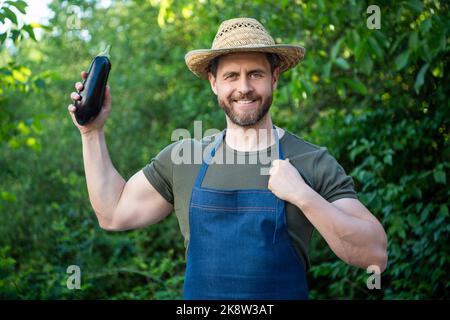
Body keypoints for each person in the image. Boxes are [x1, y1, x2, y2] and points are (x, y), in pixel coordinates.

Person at [67, 17, 387, 300]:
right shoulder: (184, 159)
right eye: (232, 75)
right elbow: (113, 213)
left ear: (274, 78)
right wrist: (91, 133)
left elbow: (374, 253)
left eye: (256, 74)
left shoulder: (311, 161)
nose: (244, 87)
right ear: (214, 83)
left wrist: (304, 196)